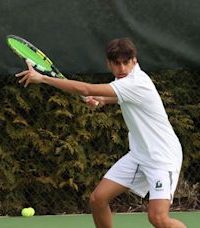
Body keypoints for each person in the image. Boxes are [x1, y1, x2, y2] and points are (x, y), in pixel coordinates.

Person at [15, 38, 185, 228]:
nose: (122, 68)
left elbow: (87, 89)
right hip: (139, 154)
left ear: (134, 61)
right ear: (109, 64)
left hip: (162, 157)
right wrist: (104, 100)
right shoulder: (124, 80)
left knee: (158, 218)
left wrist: (44, 78)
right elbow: (124, 97)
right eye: (116, 63)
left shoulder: (136, 82)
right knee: (98, 199)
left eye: (126, 62)